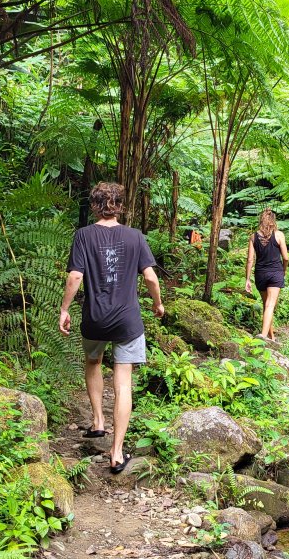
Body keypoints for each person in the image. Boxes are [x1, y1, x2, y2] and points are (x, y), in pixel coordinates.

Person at [59, 182, 164, 475]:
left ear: (94, 205)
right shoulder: (135, 236)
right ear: (120, 205)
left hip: (94, 318)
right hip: (127, 321)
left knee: (93, 362)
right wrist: (158, 304)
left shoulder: (83, 236)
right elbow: (151, 278)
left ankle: (98, 422)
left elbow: (75, 276)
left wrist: (65, 309)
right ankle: (117, 453)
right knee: (123, 383)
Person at [245, 209, 289, 341]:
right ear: (273, 221)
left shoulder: (253, 237)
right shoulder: (279, 235)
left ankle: (271, 337)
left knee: (266, 305)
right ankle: (263, 335)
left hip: (260, 274)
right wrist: (283, 270)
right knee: (270, 305)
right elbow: (286, 258)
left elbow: (250, 260)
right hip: (275, 273)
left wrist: (247, 279)